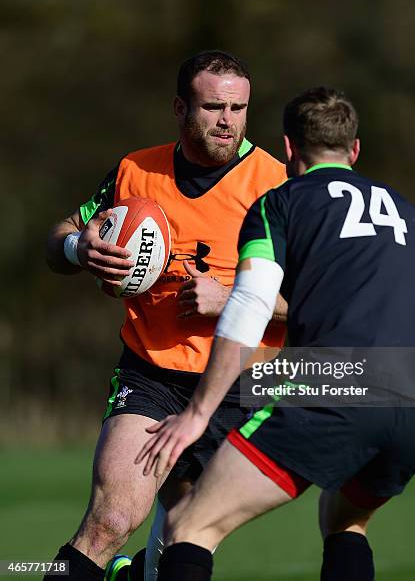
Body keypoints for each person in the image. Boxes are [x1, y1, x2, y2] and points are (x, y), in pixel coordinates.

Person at [135, 87, 415, 581]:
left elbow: (248, 308)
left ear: (289, 148)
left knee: (189, 528)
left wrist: (196, 413)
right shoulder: (413, 217)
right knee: (345, 521)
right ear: (354, 150)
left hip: (334, 388)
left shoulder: (280, 204)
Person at [45, 50, 287, 581]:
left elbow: (319, 301)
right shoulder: (136, 170)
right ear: (180, 108)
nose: (228, 120)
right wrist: (77, 250)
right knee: (111, 520)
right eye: (213, 107)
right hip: (151, 375)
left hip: (237, 387)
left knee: (184, 540)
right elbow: (61, 233)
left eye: (239, 108)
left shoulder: (279, 185)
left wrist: (234, 299)